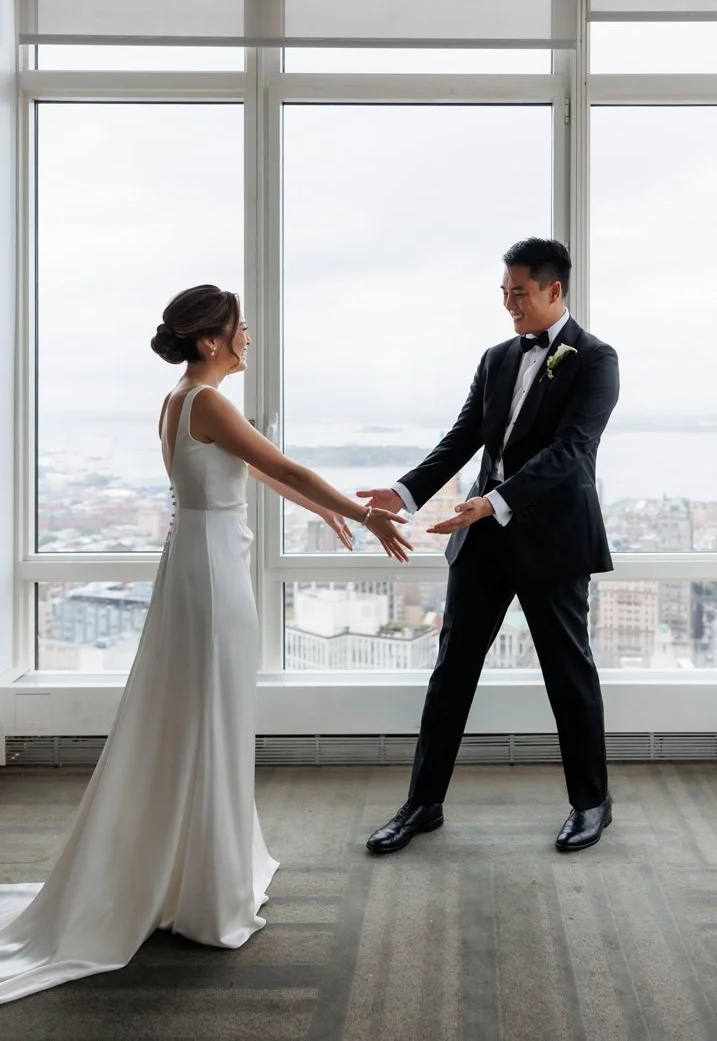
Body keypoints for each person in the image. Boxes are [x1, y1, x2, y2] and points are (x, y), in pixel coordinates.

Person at [0, 287, 413, 1004]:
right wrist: (364, 513)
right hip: (212, 570)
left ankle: (193, 867)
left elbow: (246, 468)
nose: (248, 333)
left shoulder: (182, 398)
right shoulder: (209, 401)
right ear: (214, 340)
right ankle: (206, 890)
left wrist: (319, 510)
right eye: (238, 325)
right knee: (214, 713)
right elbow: (283, 465)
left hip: (197, 556)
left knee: (201, 711)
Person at [359, 238, 622, 854]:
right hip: (482, 541)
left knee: (568, 673)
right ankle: (422, 804)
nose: (509, 305)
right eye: (504, 293)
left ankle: (592, 803)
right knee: (452, 672)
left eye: (520, 293)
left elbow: (572, 452)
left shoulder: (595, 360)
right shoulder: (497, 357)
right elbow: (463, 439)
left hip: (552, 540)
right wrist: (405, 492)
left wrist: (496, 501)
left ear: (554, 290)